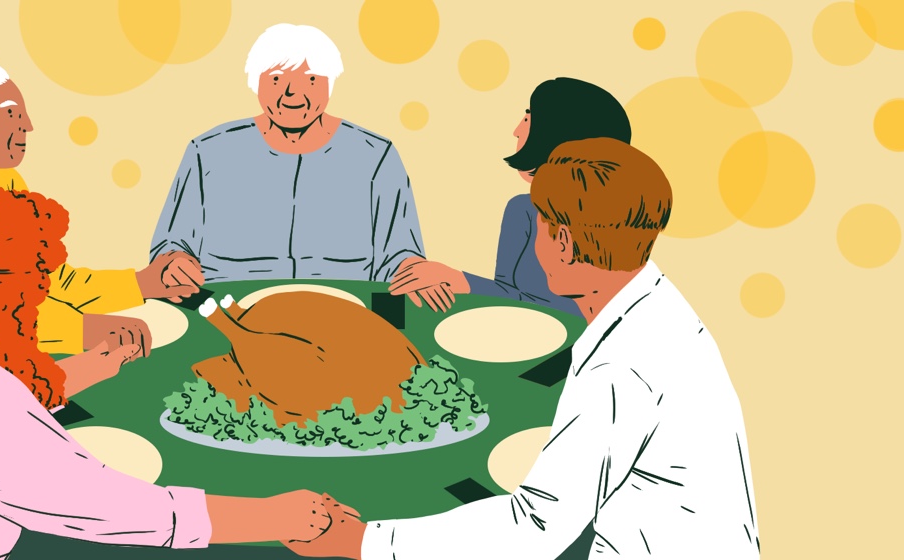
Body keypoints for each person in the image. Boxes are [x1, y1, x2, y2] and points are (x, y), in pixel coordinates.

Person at [0, 182, 353, 559]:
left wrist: (94, 366)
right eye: (34, 285)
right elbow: (99, 503)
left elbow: (10, 402)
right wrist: (273, 516)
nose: (36, 300)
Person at [290, 138, 761, 559]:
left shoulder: (623, 365)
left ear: (563, 242)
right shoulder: (655, 308)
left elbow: (534, 528)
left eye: (541, 226)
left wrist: (364, 542)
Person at [0, 59, 203, 356]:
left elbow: (48, 280)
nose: (27, 125)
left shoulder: (3, 178)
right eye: (11, 113)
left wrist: (144, 282)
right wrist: (83, 330)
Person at [149, 24, 430, 288]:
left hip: (344, 310)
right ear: (256, 82)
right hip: (229, 310)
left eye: (310, 79)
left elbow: (400, 256)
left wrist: (416, 270)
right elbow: (171, 245)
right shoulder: (207, 152)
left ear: (330, 83)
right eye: (276, 79)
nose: (292, 92)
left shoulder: (376, 156)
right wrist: (174, 263)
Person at [389, 78, 632, 315]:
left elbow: (584, 313)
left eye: (528, 118)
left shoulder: (612, 221)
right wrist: (450, 281)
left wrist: (464, 282)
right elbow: (505, 296)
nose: (516, 131)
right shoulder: (521, 208)